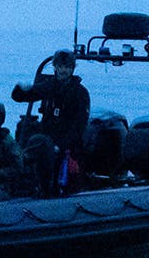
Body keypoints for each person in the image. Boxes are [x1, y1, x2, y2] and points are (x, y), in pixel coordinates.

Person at [11, 49, 91, 192]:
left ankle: (49, 186)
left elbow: (79, 127)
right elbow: (21, 97)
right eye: (60, 66)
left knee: (45, 147)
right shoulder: (50, 86)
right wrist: (21, 89)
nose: (63, 70)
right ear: (55, 67)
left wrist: (61, 145)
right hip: (47, 137)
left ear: (72, 69)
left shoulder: (80, 93)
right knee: (28, 131)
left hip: (68, 144)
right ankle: (22, 171)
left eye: (67, 67)